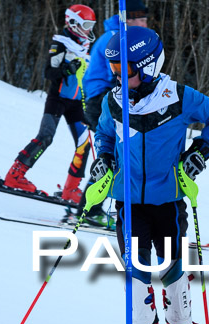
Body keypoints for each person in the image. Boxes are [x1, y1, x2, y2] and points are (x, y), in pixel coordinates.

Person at [90, 27, 209, 324]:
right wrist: (104, 158)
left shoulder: (178, 97)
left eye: (128, 71)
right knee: (135, 278)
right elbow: (104, 134)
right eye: (116, 71)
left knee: (172, 271)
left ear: (150, 66)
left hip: (168, 201)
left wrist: (200, 151)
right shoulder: (114, 100)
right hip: (128, 204)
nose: (121, 78)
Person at [3, 4, 96, 202]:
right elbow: (48, 73)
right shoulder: (61, 44)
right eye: (86, 24)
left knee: (84, 143)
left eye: (91, 24)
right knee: (46, 136)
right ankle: (15, 175)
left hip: (76, 103)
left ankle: (71, 189)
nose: (89, 29)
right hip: (57, 99)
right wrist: (67, 69)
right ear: (73, 23)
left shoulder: (85, 47)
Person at [76, 0, 149, 226]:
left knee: (117, 155)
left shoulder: (121, 36)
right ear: (130, 19)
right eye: (141, 18)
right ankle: (90, 209)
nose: (145, 22)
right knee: (115, 156)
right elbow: (116, 76)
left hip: (103, 98)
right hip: (102, 100)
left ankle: (91, 207)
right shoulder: (116, 38)